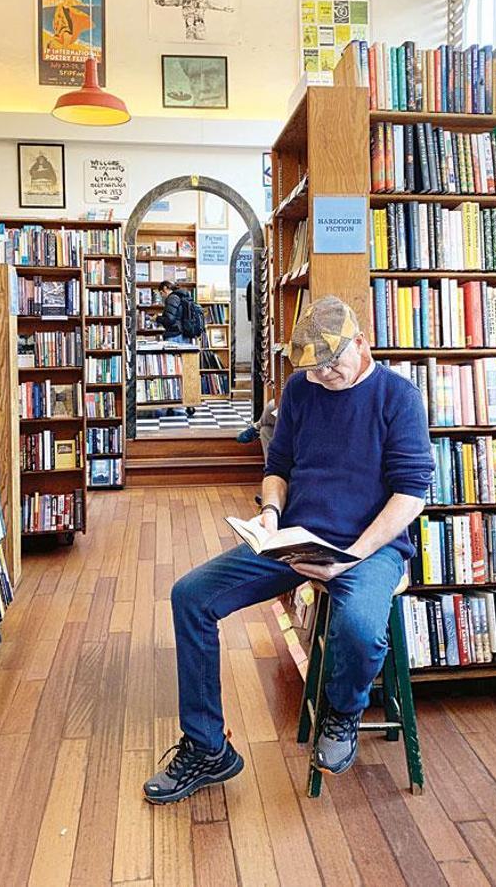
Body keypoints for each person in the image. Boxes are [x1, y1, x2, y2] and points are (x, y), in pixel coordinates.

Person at [143, 295, 434, 804]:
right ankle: (207, 747)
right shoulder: (302, 389)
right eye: (313, 370)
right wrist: (272, 514)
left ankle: (342, 712)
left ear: (361, 344)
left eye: (332, 365)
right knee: (191, 596)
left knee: (360, 627)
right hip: (297, 540)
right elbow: (278, 466)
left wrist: (353, 555)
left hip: (370, 547)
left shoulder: (398, 398)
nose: (323, 377)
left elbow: (411, 495)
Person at [154, 0, 234, 41]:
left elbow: (211, 5)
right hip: (190, 27)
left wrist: (224, 8)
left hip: (200, 27)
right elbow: (174, 2)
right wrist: (164, 3)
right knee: (190, 45)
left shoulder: (202, 0)